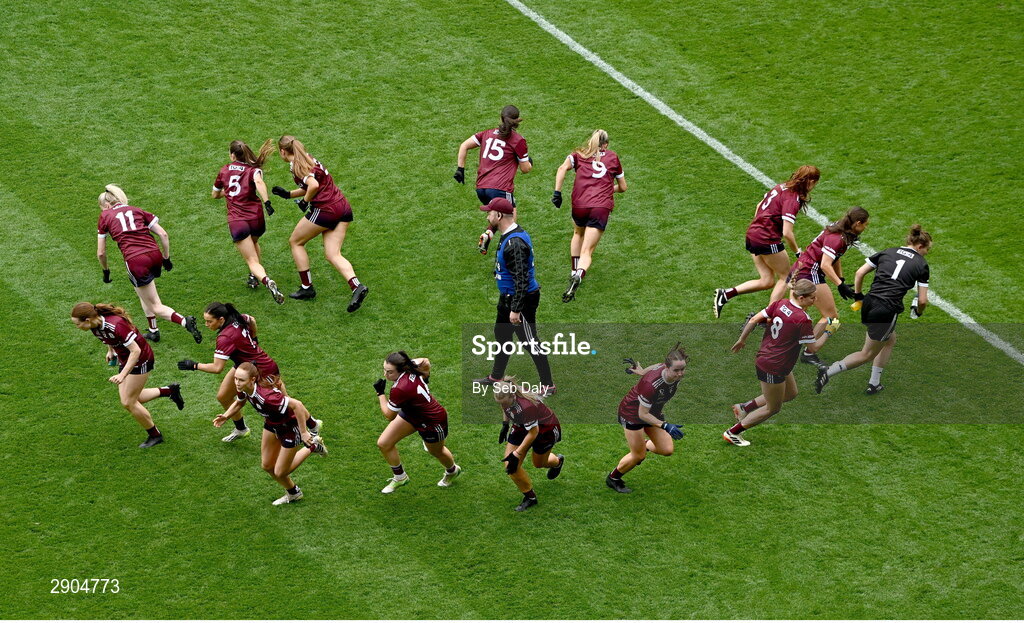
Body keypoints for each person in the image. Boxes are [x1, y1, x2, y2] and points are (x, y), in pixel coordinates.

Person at [176, 302, 319, 443]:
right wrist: (254, 339)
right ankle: (241, 429)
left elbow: (217, 368)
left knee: (284, 404)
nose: (206, 325)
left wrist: (194, 365)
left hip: (264, 370)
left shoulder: (225, 338)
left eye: (209, 321)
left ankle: (312, 427)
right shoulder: (238, 317)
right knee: (223, 397)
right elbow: (252, 320)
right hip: (244, 366)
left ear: (221, 319)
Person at [815, 225, 933, 395]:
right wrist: (919, 312)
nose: (926, 253)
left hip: (869, 303)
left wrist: (858, 296)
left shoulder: (888, 251)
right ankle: (828, 372)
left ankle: (874, 382)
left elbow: (859, 273)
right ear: (920, 246)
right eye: (927, 250)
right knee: (866, 354)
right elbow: (922, 300)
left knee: (889, 339)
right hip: (886, 310)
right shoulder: (921, 264)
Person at [723, 279, 835, 446]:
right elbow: (813, 348)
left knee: (790, 393)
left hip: (775, 360)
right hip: (774, 365)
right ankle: (733, 432)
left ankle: (744, 407)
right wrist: (829, 331)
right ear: (802, 298)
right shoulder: (802, 319)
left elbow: (754, 320)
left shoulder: (780, 304)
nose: (815, 300)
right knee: (772, 408)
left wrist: (742, 339)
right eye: (812, 297)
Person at [270, 135, 369, 312]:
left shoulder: (297, 166)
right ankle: (357, 286)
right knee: (333, 254)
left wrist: (305, 202)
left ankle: (307, 288)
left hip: (326, 210)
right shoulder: (308, 158)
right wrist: (288, 194)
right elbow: (313, 184)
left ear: (283, 151)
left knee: (295, 242)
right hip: (342, 206)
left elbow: (313, 186)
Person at [96, 185, 203, 344]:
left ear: (106, 205)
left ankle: (184, 321)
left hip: (135, 260)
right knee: (142, 291)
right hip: (154, 254)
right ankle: (153, 330)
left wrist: (106, 271)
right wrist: (166, 258)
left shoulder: (105, 216)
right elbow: (163, 234)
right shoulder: (137, 210)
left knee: (156, 305)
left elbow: (101, 253)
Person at [71, 302, 184, 448]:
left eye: (77, 324)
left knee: (128, 402)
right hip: (126, 358)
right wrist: (110, 351)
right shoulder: (95, 325)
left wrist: (123, 375)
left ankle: (155, 435)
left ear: (87, 320)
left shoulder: (116, 325)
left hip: (141, 359)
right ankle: (169, 391)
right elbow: (108, 338)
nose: (77, 327)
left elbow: (136, 351)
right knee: (132, 398)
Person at [472, 198, 554, 396]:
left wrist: (516, 309)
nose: (487, 215)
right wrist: (489, 232)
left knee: (530, 341)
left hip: (520, 300)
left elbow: (522, 279)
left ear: (499, 216)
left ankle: (548, 385)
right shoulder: (509, 233)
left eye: (490, 213)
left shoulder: (515, 243)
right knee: (502, 336)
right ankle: (496, 376)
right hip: (508, 297)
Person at [713, 166, 820, 318]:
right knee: (786, 277)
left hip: (752, 234)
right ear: (810, 182)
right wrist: (797, 252)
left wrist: (760, 226)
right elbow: (787, 233)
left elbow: (759, 206)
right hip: (766, 238)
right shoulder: (793, 199)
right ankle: (769, 317)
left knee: (767, 281)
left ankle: (726, 294)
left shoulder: (780, 187)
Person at [213, 362, 326, 505]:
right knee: (267, 465)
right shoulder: (243, 387)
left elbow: (297, 405)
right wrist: (226, 416)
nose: (237, 382)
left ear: (252, 379)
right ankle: (294, 493)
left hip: (289, 428)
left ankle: (313, 446)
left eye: (241, 380)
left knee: (280, 472)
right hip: (271, 424)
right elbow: (240, 402)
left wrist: (304, 432)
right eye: (235, 378)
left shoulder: (267, 397)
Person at [788, 206, 870, 365]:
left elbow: (835, 257)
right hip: (809, 273)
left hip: (800, 269)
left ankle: (783, 340)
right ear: (857, 223)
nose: (866, 227)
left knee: (797, 314)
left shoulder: (842, 229)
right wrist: (840, 285)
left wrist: (841, 278)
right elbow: (826, 264)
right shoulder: (838, 238)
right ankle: (809, 350)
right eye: (865, 224)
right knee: (831, 317)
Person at [552, 129, 627, 302]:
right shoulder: (613, 157)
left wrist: (557, 192)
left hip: (579, 204)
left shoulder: (580, 154)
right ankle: (579, 275)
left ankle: (573, 270)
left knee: (578, 233)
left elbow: (562, 168)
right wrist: (608, 189)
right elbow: (623, 187)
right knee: (588, 250)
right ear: (606, 144)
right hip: (600, 207)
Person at [373, 352, 461, 494]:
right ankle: (400, 477)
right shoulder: (410, 366)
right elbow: (425, 361)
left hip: (432, 422)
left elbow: (389, 415)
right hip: (411, 413)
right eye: (384, 370)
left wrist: (380, 394)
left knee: (436, 451)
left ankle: (452, 471)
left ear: (401, 370)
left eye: (389, 372)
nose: (385, 375)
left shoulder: (400, 388)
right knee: (384, 443)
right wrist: (426, 377)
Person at [605, 344, 688, 494]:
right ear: (668, 368)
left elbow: (656, 366)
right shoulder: (650, 385)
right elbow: (642, 415)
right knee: (638, 456)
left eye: (682, 369)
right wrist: (666, 426)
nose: (680, 373)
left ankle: (642, 444)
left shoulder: (669, 371)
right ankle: (613, 478)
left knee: (666, 450)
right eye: (676, 370)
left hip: (652, 412)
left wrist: (642, 371)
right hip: (632, 414)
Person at [211, 139, 285, 304]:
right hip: (256, 218)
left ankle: (266, 280)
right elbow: (259, 183)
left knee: (251, 260)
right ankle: (254, 276)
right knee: (253, 243)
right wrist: (267, 202)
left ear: (232, 155)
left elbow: (214, 195)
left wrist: (227, 192)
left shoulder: (224, 171)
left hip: (238, 221)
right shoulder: (253, 170)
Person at [454, 105, 532, 254]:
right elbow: (525, 169)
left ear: (501, 118)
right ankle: (502, 258)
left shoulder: (487, 134)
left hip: (481, 188)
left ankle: (488, 234)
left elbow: (464, 146)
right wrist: (529, 162)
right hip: (500, 188)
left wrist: (460, 169)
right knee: (510, 225)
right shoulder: (518, 140)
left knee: (499, 216)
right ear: (517, 121)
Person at [493, 377, 564, 511]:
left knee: (538, 463)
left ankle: (557, 462)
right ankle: (530, 497)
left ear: (513, 396)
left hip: (544, 430)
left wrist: (517, 453)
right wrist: (505, 424)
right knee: (511, 465)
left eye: (504, 403)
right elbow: (506, 409)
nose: (502, 406)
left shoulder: (526, 407)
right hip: (522, 425)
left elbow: (533, 432)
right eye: (499, 403)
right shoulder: (507, 397)